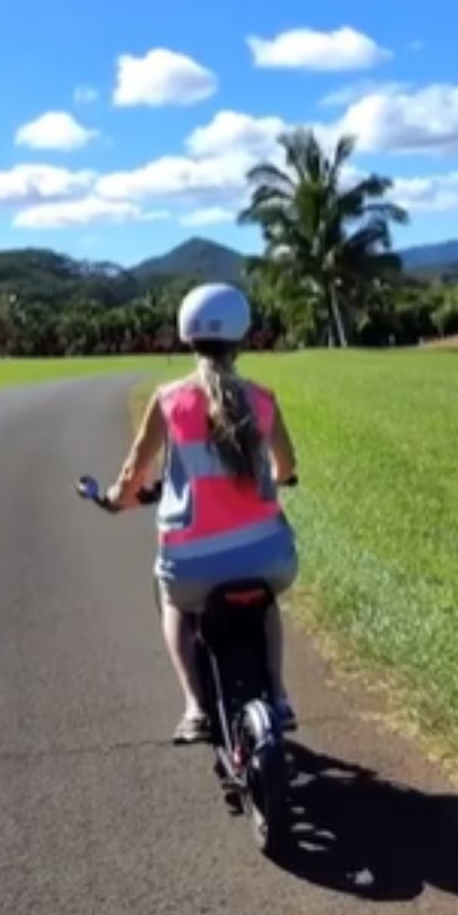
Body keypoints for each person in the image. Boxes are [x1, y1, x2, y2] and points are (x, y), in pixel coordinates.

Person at [108, 283, 300, 744]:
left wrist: (120, 495)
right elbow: (287, 466)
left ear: (187, 337)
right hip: (268, 558)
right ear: (242, 337)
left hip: (192, 564)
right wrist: (278, 476)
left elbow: (136, 470)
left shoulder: (170, 400)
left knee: (173, 600)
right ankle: (278, 695)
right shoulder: (262, 399)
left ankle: (195, 705)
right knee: (265, 602)